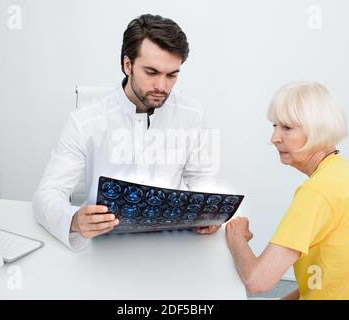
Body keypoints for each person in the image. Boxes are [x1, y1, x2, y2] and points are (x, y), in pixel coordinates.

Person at [33, 14, 220, 251]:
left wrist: (208, 212)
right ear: (127, 65)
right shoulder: (85, 121)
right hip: (102, 244)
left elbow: (201, 177)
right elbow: (47, 194)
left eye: (172, 75)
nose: (162, 87)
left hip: (169, 244)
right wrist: (73, 220)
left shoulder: (191, 114)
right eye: (151, 72)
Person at [225, 82, 349, 299]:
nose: (274, 138)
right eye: (274, 126)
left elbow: (257, 281)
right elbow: (332, 281)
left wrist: (236, 237)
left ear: (318, 130)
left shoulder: (318, 192)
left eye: (287, 128)